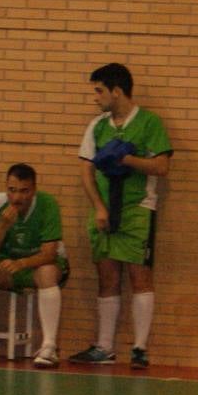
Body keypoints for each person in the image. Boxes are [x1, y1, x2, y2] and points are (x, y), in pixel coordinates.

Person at [68, 63, 172, 370]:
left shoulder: (149, 122)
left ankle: (139, 348)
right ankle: (105, 346)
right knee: (107, 277)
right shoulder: (97, 126)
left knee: (140, 277)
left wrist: (126, 159)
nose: (95, 97)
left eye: (99, 91)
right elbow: (86, 171)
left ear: (117, 91)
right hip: (104, 210)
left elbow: (162, 167)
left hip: (137, 209)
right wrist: (99, 207)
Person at [0, 163, 68, 367]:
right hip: (8, 267)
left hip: (37, 266)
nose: (17, 197)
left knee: (47, 272)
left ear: (34, 190)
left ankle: (49, 346)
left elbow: (49, 254)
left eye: (24, 191)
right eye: (12, 190)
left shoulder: (48, 204)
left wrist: (22, 263)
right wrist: (2, 226)